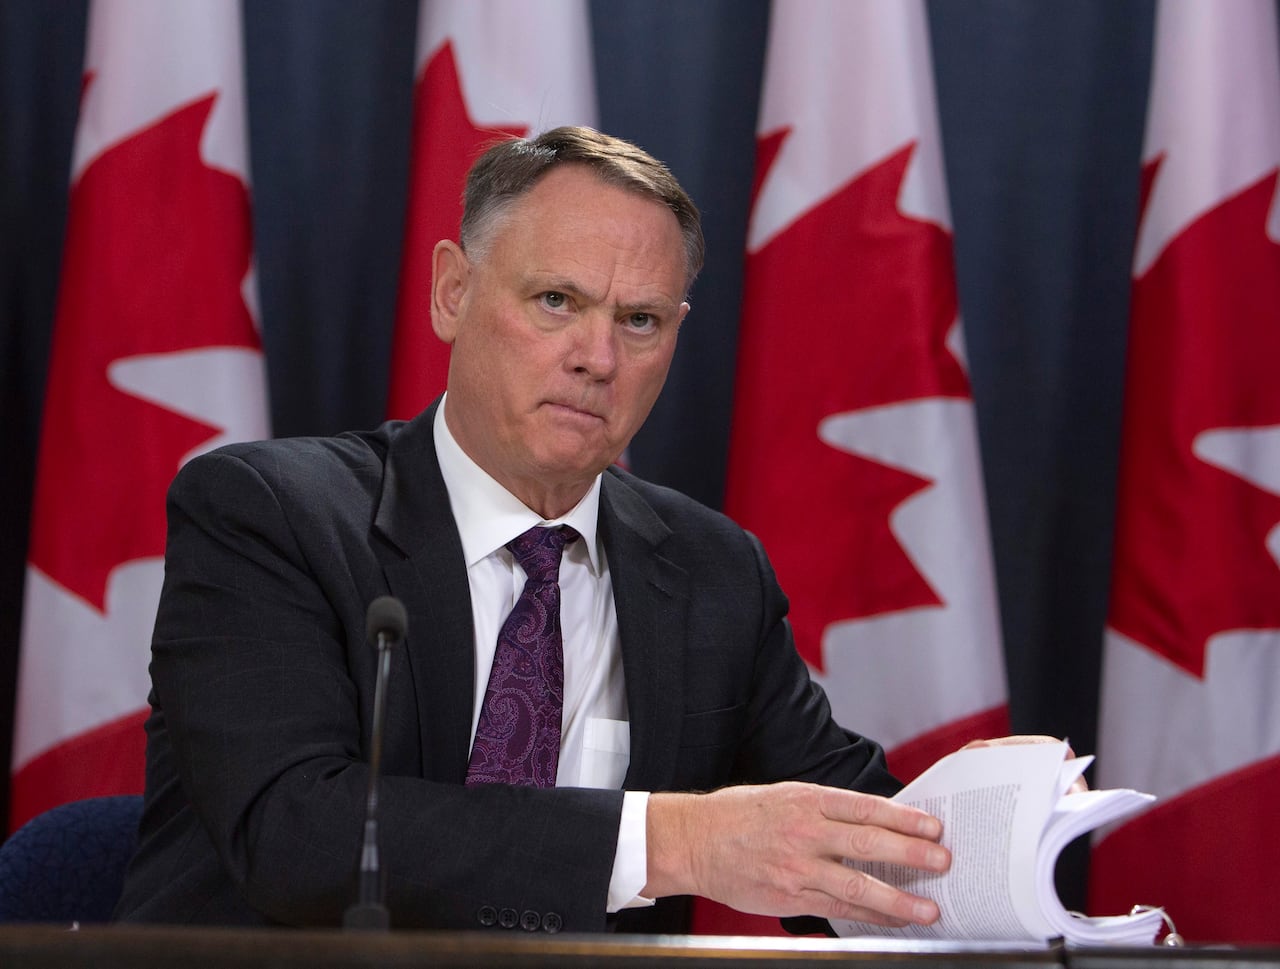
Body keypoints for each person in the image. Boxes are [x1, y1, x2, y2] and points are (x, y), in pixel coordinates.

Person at [117, 126, 989, 933]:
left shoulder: (713, 573)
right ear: (453, 292)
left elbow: (859, 849)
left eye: (639, 320)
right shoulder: (269, 515)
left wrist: (1009, 821)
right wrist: (676, 840)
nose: (597, 359)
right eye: (556, 300)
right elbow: (295, 832)